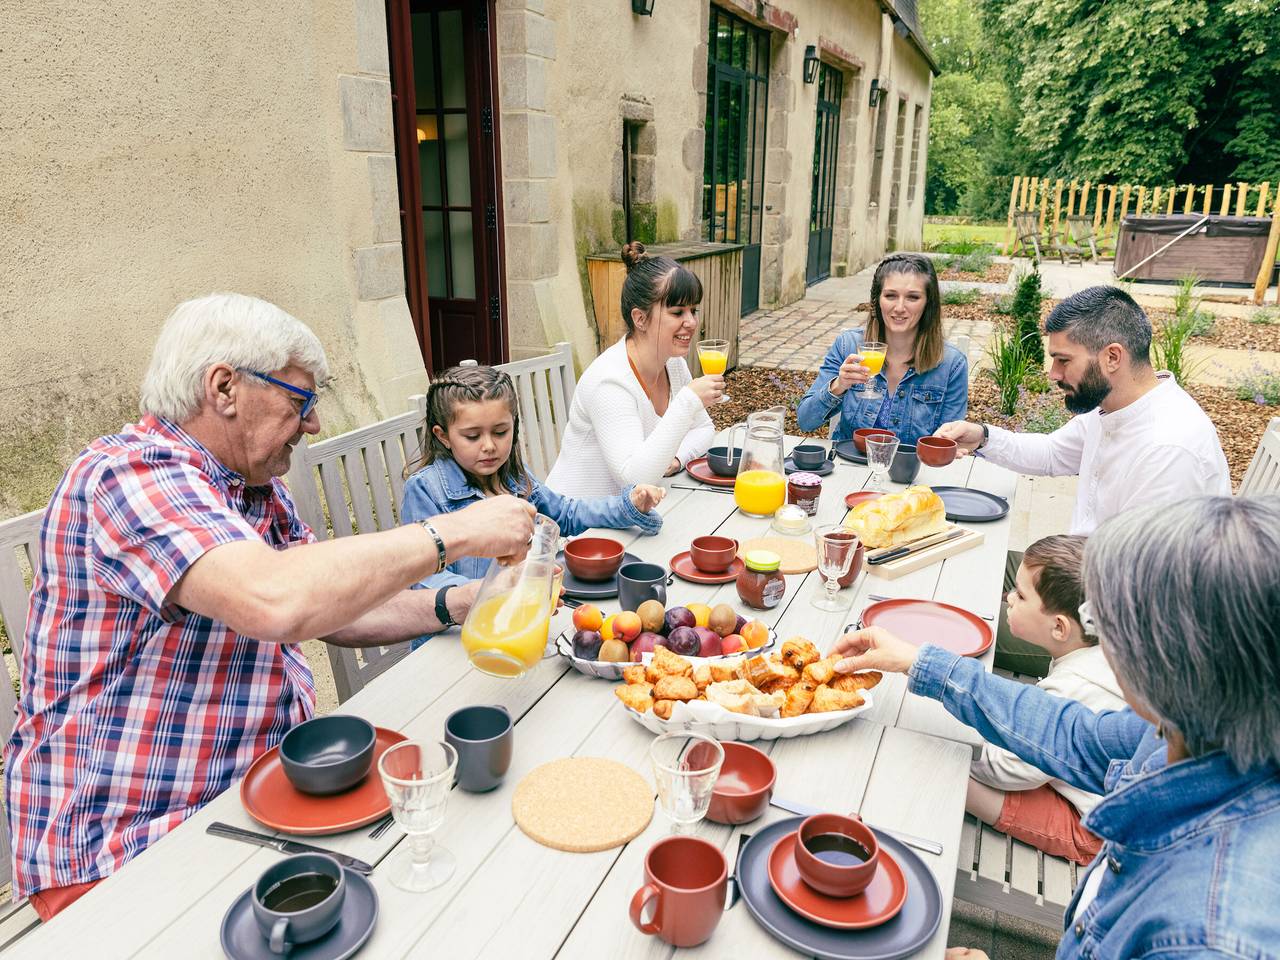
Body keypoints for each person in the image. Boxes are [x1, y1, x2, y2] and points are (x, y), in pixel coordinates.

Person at [2, 294, 535, 919]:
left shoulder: (254, 490)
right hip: (125, 845)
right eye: (300, 401)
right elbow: (276, 598)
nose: (311, 425)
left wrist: (463, 601)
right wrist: (456, 534)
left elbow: (329, 610)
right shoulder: (128, 477)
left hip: (253, 797)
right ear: (225, 387)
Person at [834, 495, 1280, 958]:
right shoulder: (1193, 731)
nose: (1104, 637)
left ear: (1172, 659)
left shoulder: (1210, 937)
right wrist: (919, 661)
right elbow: (1070, 733)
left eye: (1109, 620)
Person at [934, 285, 1229, 675]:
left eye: (1062, 360)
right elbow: (1055, 453)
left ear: (1112, 357)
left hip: (1117, 639)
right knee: (959, 560)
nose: (1052, 373)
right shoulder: (1116, 405)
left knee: (945, 627)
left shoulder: (1169, 449)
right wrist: (983, 436)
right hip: (1079, 579)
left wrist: (1030, 613)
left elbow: (1136, 593)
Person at [401, 364, 666, 647]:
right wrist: (496, 593)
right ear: (443, 435)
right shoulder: (425, 489)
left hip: (516, 630)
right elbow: (424, 579)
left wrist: (628, 505)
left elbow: (565, 513)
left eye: (500, 432)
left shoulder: (514, 477)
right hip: (451, 642)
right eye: (472, 436)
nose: (489, 446)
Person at [967, 535, 1124, 866]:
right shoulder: (1106, 650)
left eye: (1021, 595)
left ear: (1059, 628)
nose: (1009, 598)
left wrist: (957, 741)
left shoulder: (1072, 687)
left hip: (1099, 831)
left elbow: (1004, 769)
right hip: (1093, 784)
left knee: (954, 774)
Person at [545, 242, 719, 497]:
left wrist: (675, 459)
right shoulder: (610, 380)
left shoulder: (674, 364)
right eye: (677, 312)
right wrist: (688, 401)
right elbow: (634, 479)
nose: (691, 322)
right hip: (576, 525)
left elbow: (704, 429)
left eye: (693, 310)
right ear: (640, 318)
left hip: (630, 517)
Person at [796, 252, 969, 446]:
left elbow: (948, 443)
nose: (899, 307)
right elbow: (805, 422)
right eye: (890, 296)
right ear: (877, 300)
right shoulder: (849, 346)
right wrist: (839, 385)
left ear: (928, 303)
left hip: (911, 471)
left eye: (913, 297)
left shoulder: (951, 364)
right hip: (850, 466)